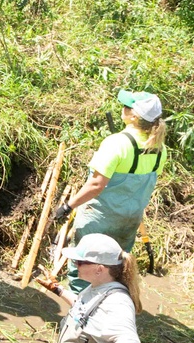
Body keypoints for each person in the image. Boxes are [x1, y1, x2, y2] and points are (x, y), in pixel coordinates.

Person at [53, 90, 166, 293]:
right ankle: (109, 305)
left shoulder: (117, 143)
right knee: (113, 267)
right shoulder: (159, 148)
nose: (122, 108)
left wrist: (67, 206)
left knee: (84, 267)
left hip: (100, 218)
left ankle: (81, 311)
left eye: (127, 106)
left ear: (134, 116)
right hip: (129, 220)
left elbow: (96, 185)